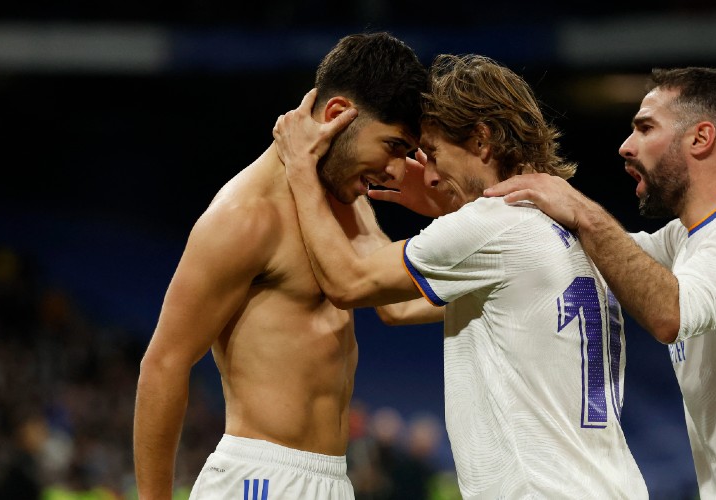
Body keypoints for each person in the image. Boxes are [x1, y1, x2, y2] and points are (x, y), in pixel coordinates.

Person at [272, 54, 649, 499]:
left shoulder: (492, 223)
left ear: (481, 141)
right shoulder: (563, 225)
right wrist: (447, 209)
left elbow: (349, 283)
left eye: (433, 154)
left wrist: (304, 168)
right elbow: (397, 308)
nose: (429, 176)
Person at [485, 66, 716, 499]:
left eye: (645, 127)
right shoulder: (688, 238)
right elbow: (587, 258)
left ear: (700, 138)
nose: (625, 146)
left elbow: (671, 314)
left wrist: (583, 211)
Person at [132, 31, 441, 500]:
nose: (398, 171)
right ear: (337, 115)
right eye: (394, 146)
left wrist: (501, 276)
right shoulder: (246, 217)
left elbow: (395, 304)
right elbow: (164, 364)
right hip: (260, 478)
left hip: (331, 478)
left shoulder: (345, 200)